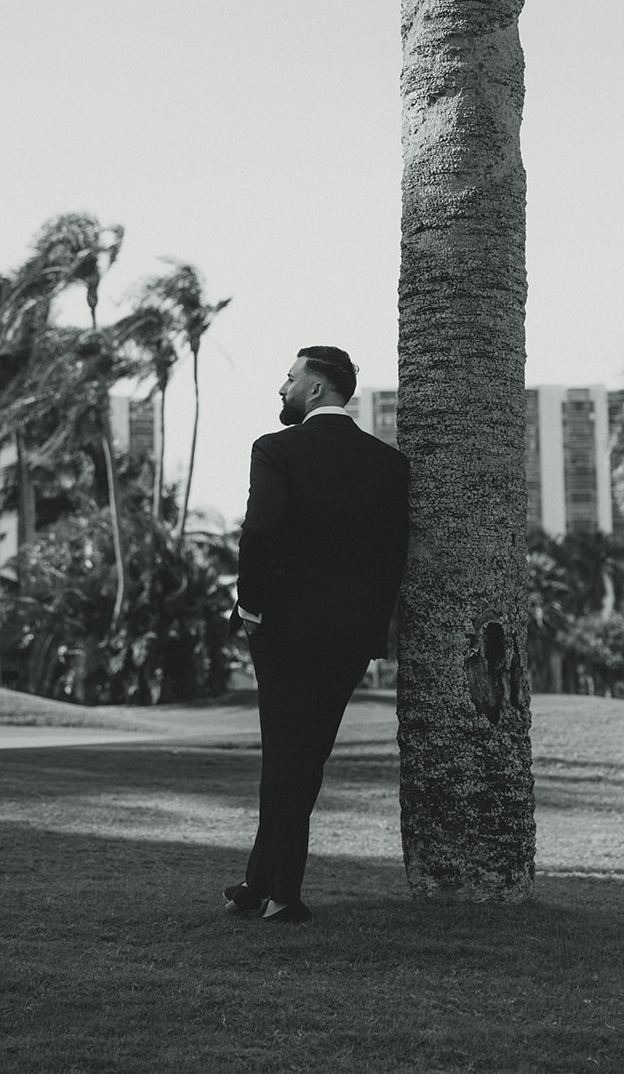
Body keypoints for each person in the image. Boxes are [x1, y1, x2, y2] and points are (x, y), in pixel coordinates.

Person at [224, 345, 409, 925]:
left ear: (317, 390)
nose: (281, 389)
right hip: (351, 635)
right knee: (305, 756)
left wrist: (251, 607)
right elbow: (392, 556)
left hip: (281, 626)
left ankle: (283, 894)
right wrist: (369, 625)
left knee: (286, 755)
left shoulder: (276, 449)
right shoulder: (390, 464)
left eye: (289, 378)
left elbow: (258, 535)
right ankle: (261, 884)